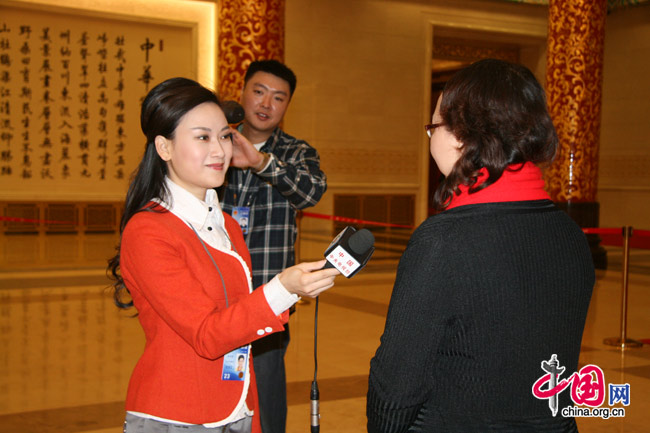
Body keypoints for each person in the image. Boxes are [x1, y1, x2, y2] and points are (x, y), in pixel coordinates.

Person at [366, 59, 595, 432]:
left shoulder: (443, 241)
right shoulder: (570, 233)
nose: (431, 139)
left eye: (433, 127)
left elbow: (398, 380)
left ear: (461, 134)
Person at [107, 77, 339, 433]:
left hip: (236, 406)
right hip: (177, 415)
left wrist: (295, 287)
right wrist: (283, 287)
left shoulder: (227, 224)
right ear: (164, 148)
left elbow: (238, 323)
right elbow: (207, 333)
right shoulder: (148, 230)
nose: (220, 151)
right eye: (202, 137)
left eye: (225, 136)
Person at [220, 59, 327, 433]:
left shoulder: (298, 153)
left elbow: (311, 191)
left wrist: (261, 162)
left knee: (266, 388)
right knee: (217, 387)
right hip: (217, 293)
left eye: (278, 98)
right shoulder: (217, 143)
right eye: (259, 92)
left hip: (270, 296)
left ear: (286, 106)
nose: (266, 104)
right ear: (243, 92)